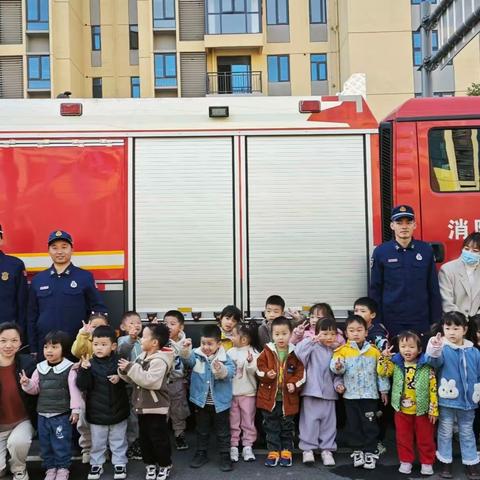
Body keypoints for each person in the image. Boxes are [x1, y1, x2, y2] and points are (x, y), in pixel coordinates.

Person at [27, 230, 107, 359]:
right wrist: (33, 347)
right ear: (48, 251)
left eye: (64, 247)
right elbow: (31, 317)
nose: (59, 252)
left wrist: (91, 337)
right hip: (46, 346)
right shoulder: (38, 280)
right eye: (55, 248)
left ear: (72, 249)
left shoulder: (84, 277)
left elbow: (98, 309)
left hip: (75, 346)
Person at [369, 205, 442, 338]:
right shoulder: (381, 252)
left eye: (408, 222)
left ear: (414, 225)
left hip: (420, 319)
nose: (404, 226)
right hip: (391, 320)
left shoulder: (425, 250)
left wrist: (436, 320)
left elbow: (433, 288)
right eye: (399, 222)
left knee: (421, 358)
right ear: (392, 225)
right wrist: (377, 321)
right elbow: (375, 289)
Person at [20, 330, 83, 480]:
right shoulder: (39, 367)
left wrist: (76, 410)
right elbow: (34, 389)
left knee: (61, 443)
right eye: (46, 347)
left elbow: (75, 391)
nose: (49, 350)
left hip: (61, 415)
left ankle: (62, 468)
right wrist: (26, 383)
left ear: (64, 349)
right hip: (42, 415)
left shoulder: (70, 368)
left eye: (54, 347)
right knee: (45, 444)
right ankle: (50, 468)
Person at [425, 312, 480, 480]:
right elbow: (431, 363)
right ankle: (446, 462)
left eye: (456, 328)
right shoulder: (442, 348)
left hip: (469, 401)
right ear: (442, 328)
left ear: (465, 329)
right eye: (448, 328)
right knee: (445, 431)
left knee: (467, 432)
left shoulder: (474, 351)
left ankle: (471, 462)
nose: (451, 332)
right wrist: (434, 349)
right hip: (447, 399)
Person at [331, 315, 390, 470]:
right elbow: (336, 368)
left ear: (366, 332)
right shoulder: (342, 351)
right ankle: (357, 450)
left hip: (370, 395)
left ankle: (370, 451)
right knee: (353, 424)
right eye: (352, 330)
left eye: (359, 330)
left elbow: (380, 373)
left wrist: (383, 390)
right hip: (350, 396)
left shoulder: (374, 351)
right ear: (346, 333)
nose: (355, 333)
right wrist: (338, 366)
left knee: (370, 424)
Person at [118, 323, 174, 480]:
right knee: (145, 438)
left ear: (154, 342)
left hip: (156, 407)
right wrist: (124, 371)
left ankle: (164, 465)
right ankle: (150, 465)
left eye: (144, 336)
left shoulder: (160, 361)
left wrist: (131, 368)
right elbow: (134, 378)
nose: (141, 339)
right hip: (142, 406)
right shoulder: (141, 356)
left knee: (159, 439)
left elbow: (150, 381)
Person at [380, 330, 438, 476]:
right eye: (403, 346)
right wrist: (384, 358)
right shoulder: (396, 363)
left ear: (419, 349)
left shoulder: (426, 365)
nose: (407, 350)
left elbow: (433, 388)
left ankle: (427, 462)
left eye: (411, 347)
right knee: (403, 437)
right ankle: (405, 461)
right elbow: (383, 373)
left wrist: (433, 409)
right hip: (401, 410)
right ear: (399, 348)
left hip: (423, 410)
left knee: (425, 438)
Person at [76, 326, 130, 480]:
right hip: (96, 411)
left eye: (103, 344)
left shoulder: (120, 360)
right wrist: (84, 370)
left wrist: (120, 379)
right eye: (96, 344)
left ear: (113, 346)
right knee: (98, 441)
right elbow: (83, 386)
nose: (99, 348)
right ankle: (96, 464)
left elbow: (129, 377)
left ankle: (120, 462)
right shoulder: (89, 363)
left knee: (118, 439)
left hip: (118, 408)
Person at [180, 325, 235, 472]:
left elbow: (230, 372)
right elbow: (187, 360)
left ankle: (225, 455)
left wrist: (220, 369)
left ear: (219, 344)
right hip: (201, 402)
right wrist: (185, 349)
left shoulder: (225, 358)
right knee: (201, 430)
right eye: (203, 343)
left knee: (223, 431)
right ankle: (201, 452)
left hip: (220, 403)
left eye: (210, 344)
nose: (206, 347)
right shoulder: (196, 354)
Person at [256, 316, 305, 468]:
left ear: (290, 334)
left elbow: (301, 373)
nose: (280, 337)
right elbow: (258, 369)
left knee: (287, 426)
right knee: (271, 426)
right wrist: (266, 374)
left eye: (284, 333)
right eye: (277, 334)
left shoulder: (296, 353)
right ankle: (273, 451)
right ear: (272, 335)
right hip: (269, 398)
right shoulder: (266, 351)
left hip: (288, 399)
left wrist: (294, 384)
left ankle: (286, 451)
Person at [295, 317, 344, 467]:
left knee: (328, 423)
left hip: (329, 393)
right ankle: (308, 449)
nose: (329, 337)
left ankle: (327, 449)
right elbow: (298, 352)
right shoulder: (312, 347)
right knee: (309, 422)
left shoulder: (336, 351)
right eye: (324, 333)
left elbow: (338, 373)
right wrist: (312, 340)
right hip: (311, 391)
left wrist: (338, 385)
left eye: (332, 333)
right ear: (317, 333)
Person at [0, 322, 37, 480]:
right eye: (3, 340)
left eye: (14, 340)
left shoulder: (28, 363)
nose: (9, 345)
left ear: (21, 342)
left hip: (22, 421)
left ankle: (19, 468)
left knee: (17, 442)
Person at [227, 323, 259, 463]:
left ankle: (247, 445)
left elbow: (255, 372)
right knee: (233, 421)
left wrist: (251, 362)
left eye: (234, 335)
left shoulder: (254, 353)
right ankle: (233, 445)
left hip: (248, 393)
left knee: (248, 421)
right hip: (232, 394)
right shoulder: (229, 352)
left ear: (244, 340)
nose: (231, 337)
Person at [116, 311, 143, 461]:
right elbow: (122, 353)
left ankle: (138, 442)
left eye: (138, 322)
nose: (136, 325)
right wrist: (131, 340)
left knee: (138, 415)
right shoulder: (122, 340)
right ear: (123, 326)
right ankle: (132, 444)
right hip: (127, 385)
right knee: (131, 416)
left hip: (140, 383)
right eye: (131, 323)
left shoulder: (143, 340)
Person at [163, 310, 190, 451]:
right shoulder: (160, 339)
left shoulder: (185, 342)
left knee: (179, 410)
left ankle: (179, 434)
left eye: (172, 324)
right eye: (165, 323)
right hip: (162, 383)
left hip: (178, 382)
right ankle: (161, 436)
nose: (168, 326)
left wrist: (185, 349)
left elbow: (187, 360)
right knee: (162, 410)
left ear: (181, 327)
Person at [439, 232, 480, 318]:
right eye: (466, 249)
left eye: (475, 251)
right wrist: (462, 321)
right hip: (454, 323)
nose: (469, 253)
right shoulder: (447, 269)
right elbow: (446, 302)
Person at [0, 225, 28, 333]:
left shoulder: (15, 265)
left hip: (7, 334)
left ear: (1, 239)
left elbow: (22, 304)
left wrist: (19, 333)